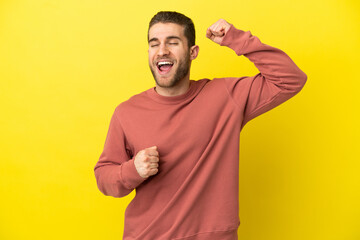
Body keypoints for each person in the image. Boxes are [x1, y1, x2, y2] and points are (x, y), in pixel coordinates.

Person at [94, 11, 307, 240]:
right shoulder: (127, 112)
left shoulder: (225, 97)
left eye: (173, 42)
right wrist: (132, 170)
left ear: (193, 52)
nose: (162, 50)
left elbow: (290, 79)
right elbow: (104, 178)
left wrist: (237, 39)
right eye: (154, 44)